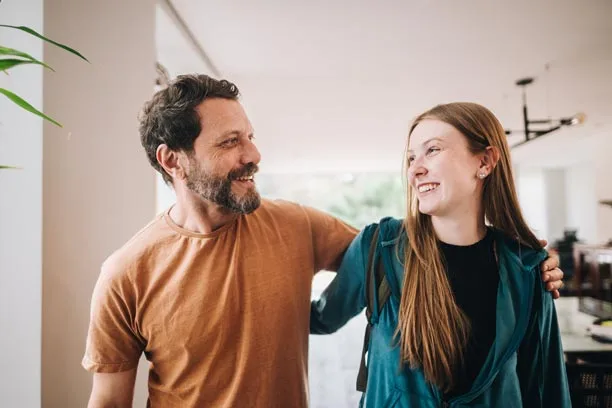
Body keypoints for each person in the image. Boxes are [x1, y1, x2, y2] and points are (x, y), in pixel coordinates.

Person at [82, 76, 564, 408]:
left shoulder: (297, 225)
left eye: (249, 136)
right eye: (230, 142)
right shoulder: (126, 272)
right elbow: (108, 400)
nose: (254, 153)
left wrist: (532, 261)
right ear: (172, 160)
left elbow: (405, 258)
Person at [311, 102, 571, 407]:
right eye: (411, 158)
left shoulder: (526, 268)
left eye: (432, 150)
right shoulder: (380, 246)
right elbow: (319, 318)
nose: (414, 169)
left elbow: (547, 387)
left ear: (484, 162)